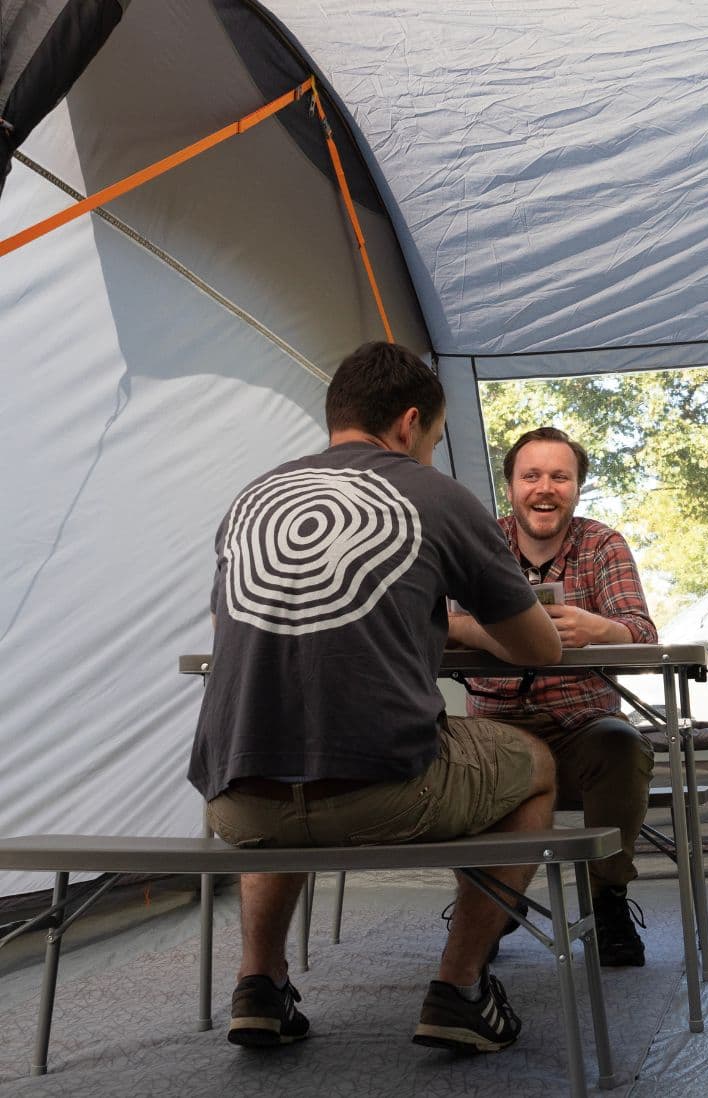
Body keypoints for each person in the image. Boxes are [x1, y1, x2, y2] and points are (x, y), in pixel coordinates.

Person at [188, 342, 562, 1055]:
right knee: (534, 763)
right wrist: (461, 628)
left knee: (282, 750)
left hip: (235, 800)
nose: (428, 452)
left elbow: (223, 630)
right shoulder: (436, 496)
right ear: (410, 422)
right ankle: (460, 989)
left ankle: (259, 986)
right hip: (386, 791)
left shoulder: (252, 500)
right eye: (433, 438)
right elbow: (539, 649)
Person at [448, 427, 657, 966]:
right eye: (532, 476)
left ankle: (608, 901)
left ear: (577, 488)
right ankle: (488, 904)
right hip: (496, 728)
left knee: (623, 744)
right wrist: (488, 634)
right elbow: (439, 622)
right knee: (456, 752)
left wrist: (597, 628)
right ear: (511, 486)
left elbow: (642, 631)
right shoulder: (478, 542)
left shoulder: (603, 543)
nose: (546, 488)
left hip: (580, 728)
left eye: (559, 476)